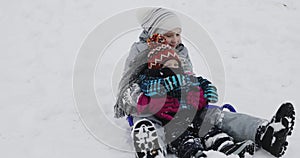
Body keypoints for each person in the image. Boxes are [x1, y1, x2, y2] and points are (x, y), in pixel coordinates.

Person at [114, 7, 296, 158]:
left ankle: (264, 133)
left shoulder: (180, 51)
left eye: (178, 34)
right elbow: (128, 88)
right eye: (169, 35)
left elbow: (189, 80)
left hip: (182, 108)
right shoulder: (139, 53)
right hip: (151, 108)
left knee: (214, 116)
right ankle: (151, 146)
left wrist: (201, 92)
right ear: (154, 34)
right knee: (152, 123)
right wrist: (150, 102)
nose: (175, 40)